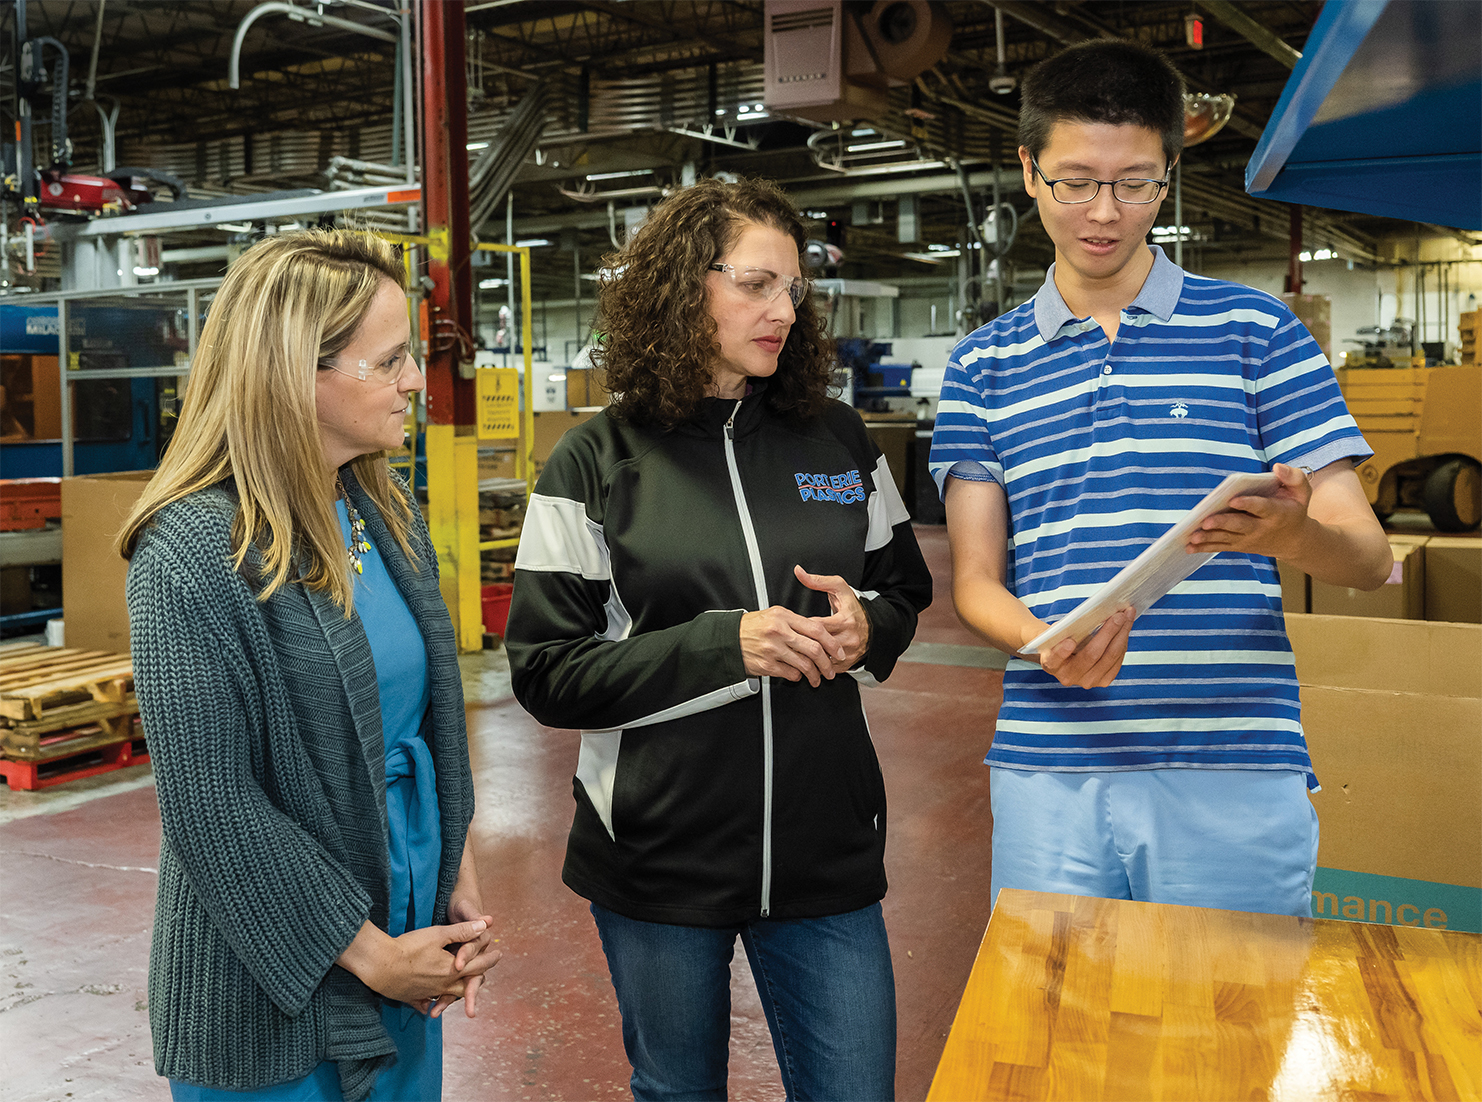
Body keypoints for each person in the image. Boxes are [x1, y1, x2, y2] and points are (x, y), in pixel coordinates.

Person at [929, 39, 1392, 919]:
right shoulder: (982, 365)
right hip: (1051, 767)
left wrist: (1293, 536)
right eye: (1075, 180)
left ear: (1169, 177)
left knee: (1232, 1034)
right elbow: (978, 582)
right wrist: (1044, 643)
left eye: (1134, 181)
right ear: (1029, 172)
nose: (1104, 212)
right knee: (1053, 1034)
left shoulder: (1258, 331)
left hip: (1234, 761)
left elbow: (1371, 561)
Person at [504, 176, 932, 1102]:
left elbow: (903, 587)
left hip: (826, 847)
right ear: (680, 288)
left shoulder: (839, 441)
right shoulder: (594, 461)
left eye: (794, 289)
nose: (782, 310)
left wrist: (866, 626)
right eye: (755, 285)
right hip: (660, 854)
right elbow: (546, 672)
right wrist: (721, 647)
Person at [118, 229, 501, 1102]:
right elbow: (211, 804)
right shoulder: (187, 551)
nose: (415, 381)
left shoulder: (375, 511)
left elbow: (424, 733)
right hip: (275, 993)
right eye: (392, 360)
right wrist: (373, 959)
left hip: (409, 952)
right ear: (298, 373)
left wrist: (457, 896)